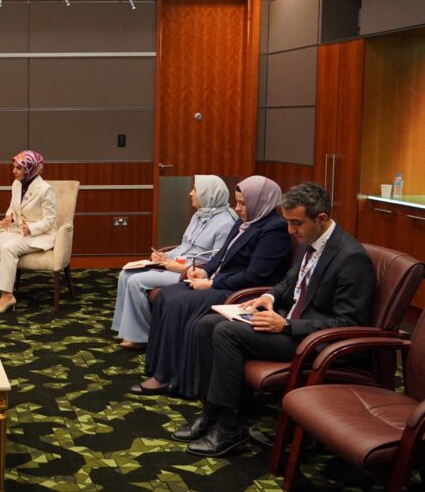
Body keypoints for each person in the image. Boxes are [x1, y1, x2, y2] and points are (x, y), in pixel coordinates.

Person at [178, 182, 375, 457]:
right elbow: (288, 283)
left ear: (321, 218)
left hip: (312, 341)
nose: (290, 231)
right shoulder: (313, 240)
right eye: (288, 222)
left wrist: (287, 325)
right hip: (289, 326)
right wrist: (268, 297)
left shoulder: (351, 258)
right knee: (207, 324)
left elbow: (349, 323)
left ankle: (229, 428)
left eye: (296, 223)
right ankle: (212, 412)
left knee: (226, 333)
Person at [132, 175, 292, 398]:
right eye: (237, 202)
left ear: (261, 202)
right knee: (166, 295)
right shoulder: (245, 221)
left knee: (178, 303)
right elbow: (221, 255)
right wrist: (205, 270)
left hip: (239, 292)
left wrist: (212, 282)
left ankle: (172, 378)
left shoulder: (274, 229)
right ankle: (160, 369)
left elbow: (255, 275)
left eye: (243, 203)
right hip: (221, 282)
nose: (237, 208)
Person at [111, 175, 236, 350]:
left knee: (136, 281)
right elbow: (185, 247)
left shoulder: (226, 223)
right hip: (175, 264)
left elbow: (216, 263)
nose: (190, 193)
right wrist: (165, 256)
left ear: (208, 194)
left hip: (191, 272)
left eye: (195, 189)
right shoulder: (199, 215)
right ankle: (127, 329)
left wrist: (179, 268)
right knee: (126, 274)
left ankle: (142, 336)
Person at [0, 150, 56, 314]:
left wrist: (31, 228)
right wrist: (10, 217)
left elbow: (50, 220)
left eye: (18, 168)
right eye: (14, 167)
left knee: (8, 248)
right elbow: (13, 207)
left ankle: (7, 296)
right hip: (18, 229)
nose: (13, 171)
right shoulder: (17, 184)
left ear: (30, 170)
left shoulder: (45, 190)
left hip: (39, 234)